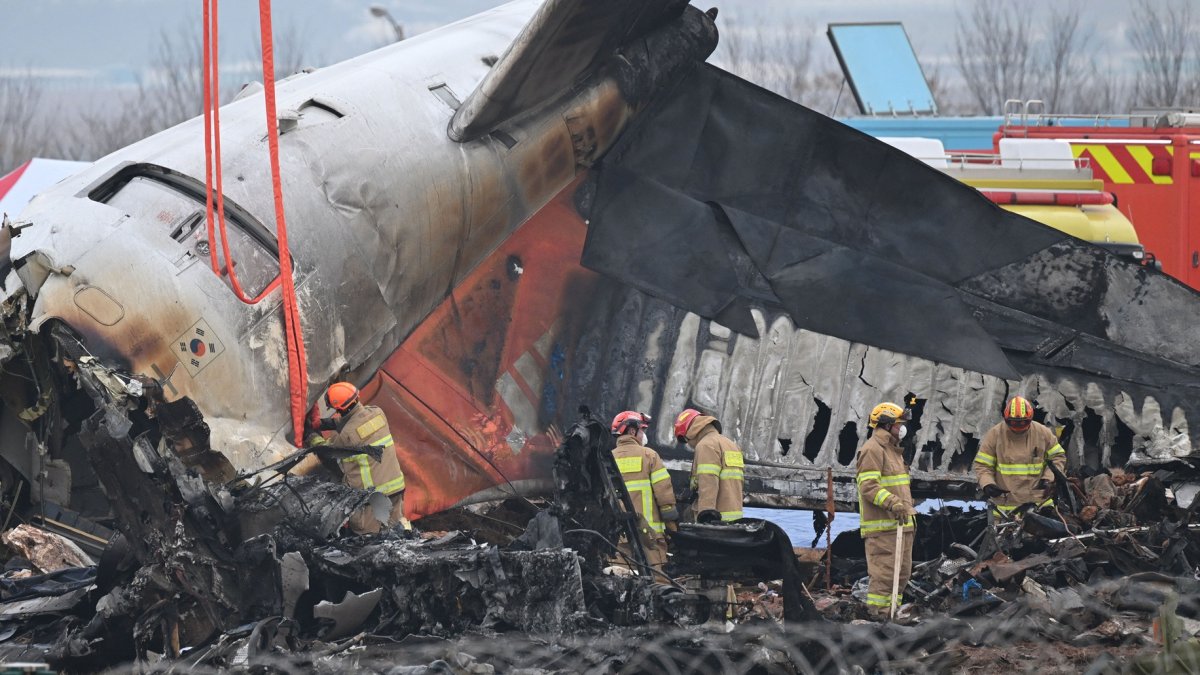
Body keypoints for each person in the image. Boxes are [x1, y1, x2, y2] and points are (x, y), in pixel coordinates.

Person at [305, 382, 408, 535]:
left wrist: (310, 435)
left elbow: (325, 450)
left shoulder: (347, 435)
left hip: (371, 499)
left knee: (367, 540)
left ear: (338, 408)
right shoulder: (378, 413)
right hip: (396, 489)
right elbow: (355, 420)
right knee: (395, 534)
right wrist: (325, 424)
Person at [855, 401, 917, 619]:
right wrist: (893, 503)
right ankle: (879, 619)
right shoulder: (872, 450)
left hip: (901, 526)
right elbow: (868, 487)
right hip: (883, 530)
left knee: (901, 576)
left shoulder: (893, 451)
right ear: (886, 424)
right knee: (884, 578)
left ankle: (891, 615)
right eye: (899, 423)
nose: (902, 428)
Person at [974, 395, 1066, 518]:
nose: (1018, 426)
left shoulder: (1042, 433)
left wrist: (1048, 478)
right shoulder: (995, 434)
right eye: (1013, 422)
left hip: (1038, 504)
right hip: (1005, 507)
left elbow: (1058, 457)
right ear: (1006, 418)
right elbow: (983, 465)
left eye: (1023, 422)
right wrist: (987, 484)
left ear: (1030, 418)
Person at [610, 411, 678, 570]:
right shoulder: (649, 455)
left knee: (622, 583)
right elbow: (665, 497)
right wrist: (673, 530)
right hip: (650, 537)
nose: (644, 435)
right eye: (642, 430)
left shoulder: (608, 459)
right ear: (632, 431)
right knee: (658, 583)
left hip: (619, 536)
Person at [674, 408, 743, 523]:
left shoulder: (706, 445)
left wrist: (706, 513)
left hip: (715, 520)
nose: (689, 445)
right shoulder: (731, 445)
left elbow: (708, 480)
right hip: (734, 517)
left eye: (686, 440)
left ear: (689, 433)